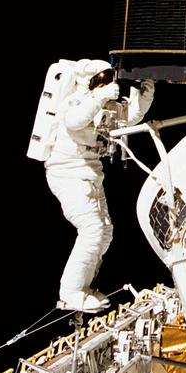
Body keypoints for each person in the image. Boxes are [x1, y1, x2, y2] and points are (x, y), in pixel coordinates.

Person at [45, 59, 154, 311]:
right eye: (102, 78)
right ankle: (70, 291)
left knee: (105, 231)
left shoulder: (102, 105)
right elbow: (74, 121)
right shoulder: (75, 101)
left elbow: (129, 117)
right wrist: (100, 96)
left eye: (109, 78)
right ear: (89, 80)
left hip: (90, 173)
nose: (107, 83)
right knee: (92, 229)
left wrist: (145, 93)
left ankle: (84, 286)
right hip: (68, 173)